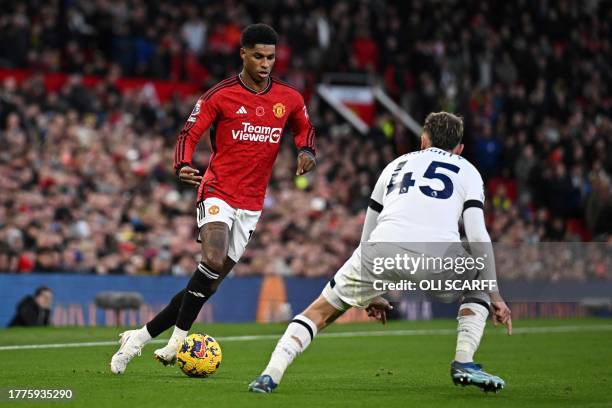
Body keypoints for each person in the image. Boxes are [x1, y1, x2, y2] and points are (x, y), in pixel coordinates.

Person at [248, 112, 512, 393]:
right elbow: (477, 236)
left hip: (380, 250)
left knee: (319, 312)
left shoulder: (395, 165)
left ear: (424, 140)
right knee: (477, 279)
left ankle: (270, 374)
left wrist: (369, 288)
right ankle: (464, 361)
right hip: (437, 256)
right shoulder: (468, 170)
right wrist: (494, 294)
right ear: (459, 148)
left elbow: (369, 230)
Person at [110, 23, 316, 374]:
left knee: (207, 283)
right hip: (217, 189)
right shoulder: (219, 95)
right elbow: (189, 132)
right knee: (213, 259)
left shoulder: (289, 98)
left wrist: (306, 150)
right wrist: (182, 164)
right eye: (258, 56)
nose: (265, 63)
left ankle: (139, 337)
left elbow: (303, 126)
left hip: (252, 204)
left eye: (270, 57)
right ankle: (177, 343)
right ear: (243, 54)